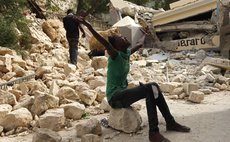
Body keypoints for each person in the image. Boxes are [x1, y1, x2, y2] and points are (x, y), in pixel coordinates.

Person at [78, 17, 190, 142]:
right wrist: (88, 25)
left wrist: (143, 33)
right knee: (149, 89)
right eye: (122, 38)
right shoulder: (114, 55)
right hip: (114, 98)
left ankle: (170, 122)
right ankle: (153, 133)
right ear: (116, 46)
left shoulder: (125, 54)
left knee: (154, 86)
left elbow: (139, 44)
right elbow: (104, 42)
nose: (125, 38)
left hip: (123, 95)